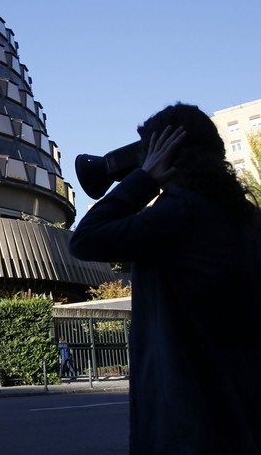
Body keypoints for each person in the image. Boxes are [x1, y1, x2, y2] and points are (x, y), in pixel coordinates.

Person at [70, 103, 261, 454]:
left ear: (165, 153)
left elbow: (85, 239)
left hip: (191, 421)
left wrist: (144, 179)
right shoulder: (247, 217)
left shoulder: (180, 214)